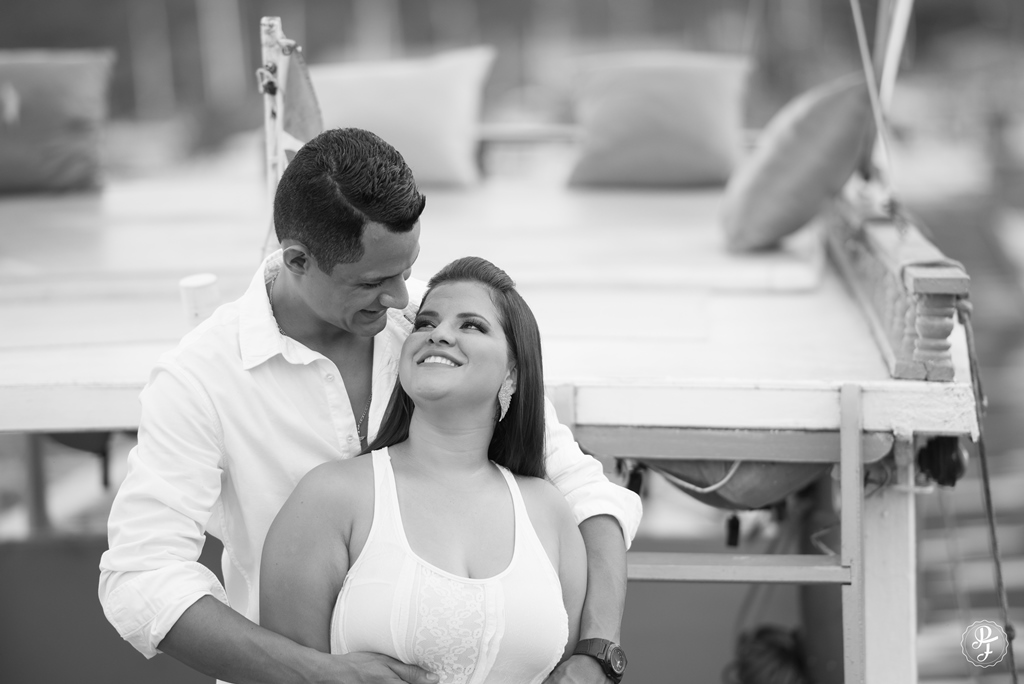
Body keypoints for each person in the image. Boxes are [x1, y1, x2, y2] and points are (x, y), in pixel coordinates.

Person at [98, 128, 641, 684]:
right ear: (298, 260)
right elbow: (143, 577)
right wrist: (318, 675)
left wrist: (597, 653)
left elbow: (585, 493)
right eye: (375, 281)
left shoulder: (430, 326)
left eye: (406, 270)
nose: (402, 299)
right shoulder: (201, 378)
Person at [261, 256, 588, 684]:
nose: (439, 334)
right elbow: (287, 672)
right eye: (425, 323)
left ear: (512, 372)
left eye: (472, 325)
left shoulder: (548, 511)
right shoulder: (331, 497)